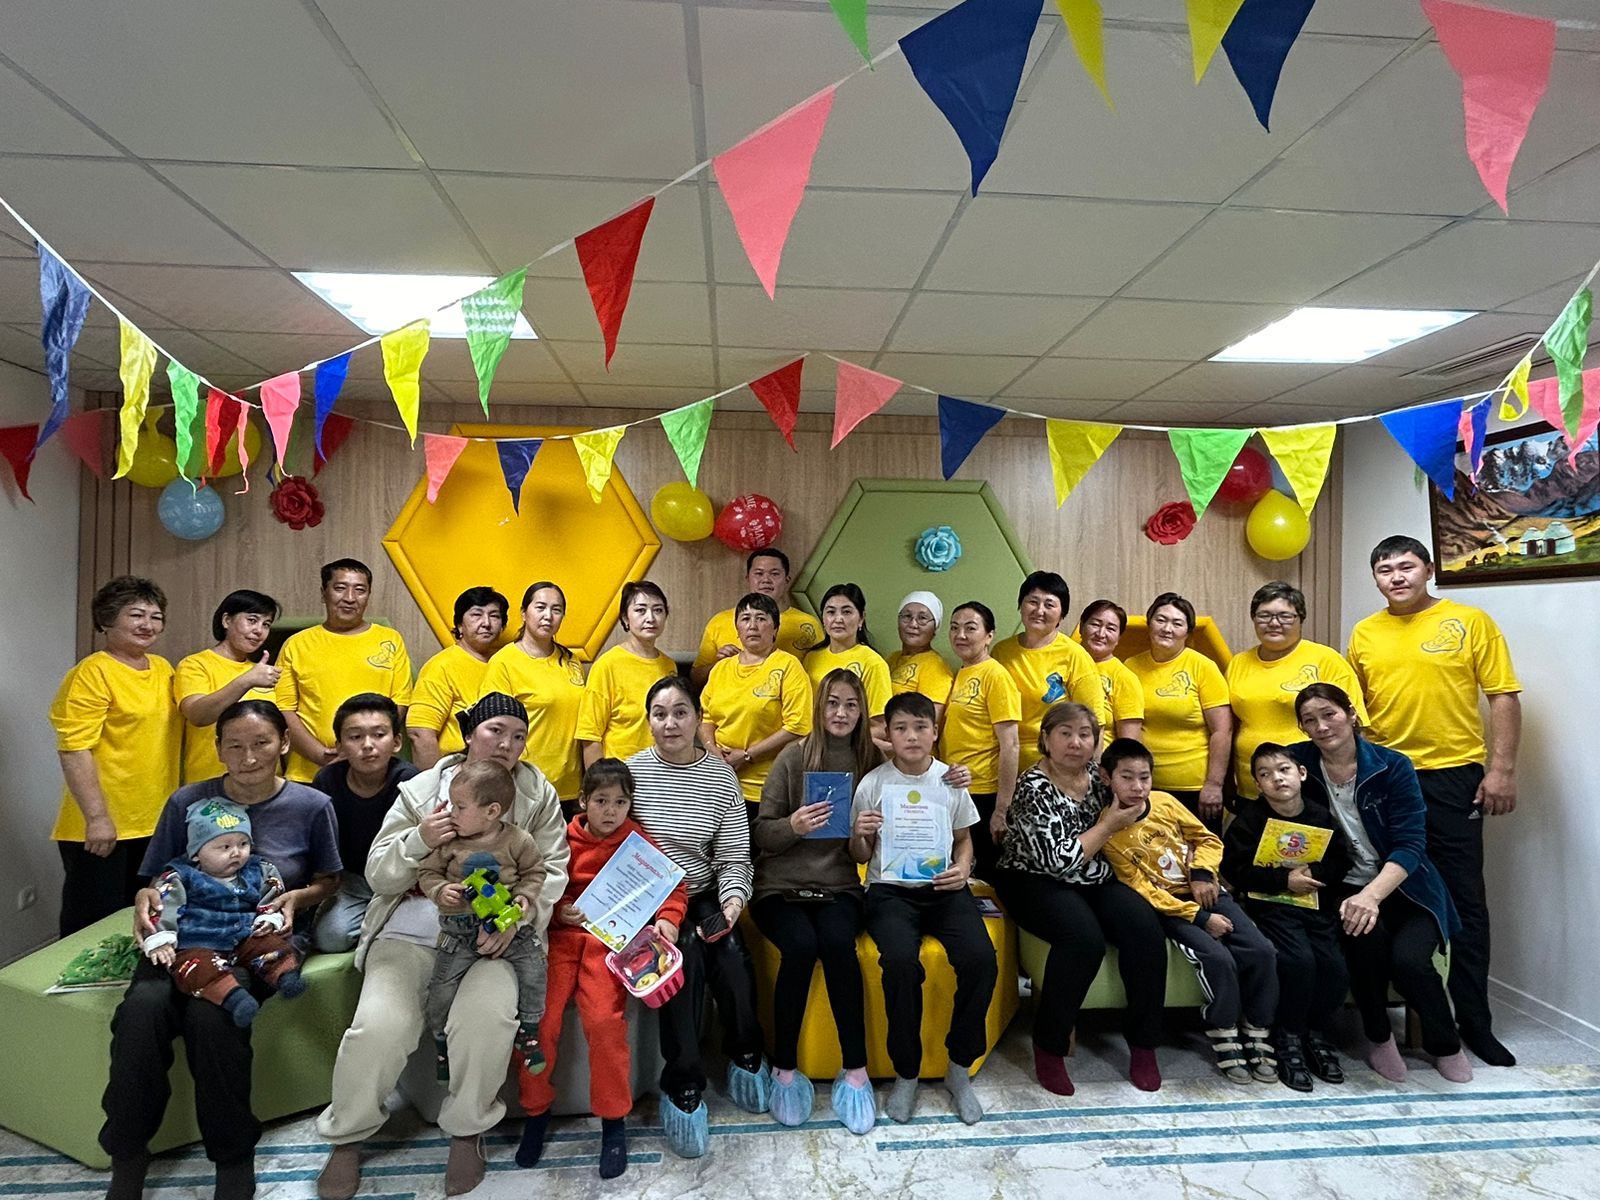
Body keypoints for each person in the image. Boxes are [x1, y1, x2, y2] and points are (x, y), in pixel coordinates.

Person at [314, 693, 568, 1200]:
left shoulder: (537, 794)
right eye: (496, 731)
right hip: (412, 931)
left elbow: (552, 870)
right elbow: (379, 875)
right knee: (377, 1027)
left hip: (491, 939)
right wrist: (420, 839)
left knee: (486, 1020)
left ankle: (468, 1131)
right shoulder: (422, 789)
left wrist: (515, 918)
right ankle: (347, 1136)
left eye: (519, 736)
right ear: (470, 733)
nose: (507, 744)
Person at [109, 699, 341, 1200]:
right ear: (217, 749)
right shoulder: (187, 801)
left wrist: (297, 898)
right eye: (234, 746)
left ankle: (233, 1158)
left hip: (256, 939)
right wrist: (145, 898)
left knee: (212, 1018)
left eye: (261, 743)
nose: (248, 757)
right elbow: (155, 878)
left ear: (284, 743)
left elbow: (329, 881)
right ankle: (127, 1153)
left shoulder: (311, 805)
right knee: (142, 1009)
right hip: (186, 937)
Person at [1346, 534, 1521, 1068]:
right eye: (1385, 570)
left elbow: (1503, 696)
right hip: (1386, 779)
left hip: (1452, 777)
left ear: (1427, 570)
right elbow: (1358, 712)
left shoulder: (1469, 622)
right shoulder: (1364, 632)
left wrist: (1501, 769)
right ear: (1375, 578)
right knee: (1391, 889)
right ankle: (1403, 1016)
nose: (1396, 577)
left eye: (1406, 566)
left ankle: (1476, 1024)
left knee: (1465, 901)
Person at [1289, 683, 1470, 1084]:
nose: (1322, 726)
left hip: (1407, 886)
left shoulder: (1392, 766)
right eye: (1310, 720)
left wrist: (1371, 895)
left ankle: (1446, 1043)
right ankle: (1379, 1037)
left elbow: (1411, 844)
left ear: (1352, 714)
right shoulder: (1298, 763)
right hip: (1343, 885)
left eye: (1329, 714)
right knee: (1364, 944)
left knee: (1410, 960)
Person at [517, 758, 687, 1179]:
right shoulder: (561, 839)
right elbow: (538, 884)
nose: (611, 811)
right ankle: (536, 1112)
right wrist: (559, 910)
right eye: (601, 801)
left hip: (609, 947)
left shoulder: (637, 842)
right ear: (583, 802)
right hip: (559, 941)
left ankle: (613, 1122)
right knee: (539, 1023)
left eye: (620, 802)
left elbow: (672, 885)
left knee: (604, 1024)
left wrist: (669, 919)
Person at [627, 676, 768, 1158]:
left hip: (704, 890)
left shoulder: (721, 777)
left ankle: (745, 1053)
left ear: (697, 718)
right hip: (650, 898)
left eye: (680, 712)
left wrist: (731, 906)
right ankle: (683, 1080)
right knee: (680, 958)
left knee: (731, 953)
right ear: (649, 722)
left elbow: (733, 857)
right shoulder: (631, 774)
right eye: (660, 714)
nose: (670, 723)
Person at [992, 703, 1166, 1095]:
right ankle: (1049, 1047)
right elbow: (1057, 861)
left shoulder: (1099, 775)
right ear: (1046, 739)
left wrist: (1132, 799)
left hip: (1093, 875)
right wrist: (1109, 824)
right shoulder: (1032, 787)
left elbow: (1141, 802)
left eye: (1085, 734)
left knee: (1145, 931)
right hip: (1033, 878)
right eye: (1065, 733)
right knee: (1082, 939)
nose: (1075, 742)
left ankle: (1143, 1045)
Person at [850, 692, 997, 1127]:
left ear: (935, 732)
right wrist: (860, 833)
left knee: (980, 960)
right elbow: (859, 855)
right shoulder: (873, 784)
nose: (911, 736)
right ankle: (907, 1072)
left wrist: (963, 868)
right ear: (888, 735)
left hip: (944, 891)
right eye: (901, 728)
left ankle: (959, 1067)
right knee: (898, 963)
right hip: (889, 892)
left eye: (920, 727)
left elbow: (965, 839)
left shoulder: (949, 780)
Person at [1099, 738, 1279, 1086]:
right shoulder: (1109, 832)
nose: (1137, 787)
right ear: (1107, 778)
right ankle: (1223, 1030)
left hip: (1208, 891)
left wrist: (1202, 874)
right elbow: (1142, 889)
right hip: (1174, 910)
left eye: (1144, 777)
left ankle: (1257, 1029)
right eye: (1127, 778)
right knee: (1217, 958)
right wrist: (1199, 918)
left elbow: (1207, 839)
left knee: (1262, 950)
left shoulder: (1165, 802)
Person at [752, 669, 879, 1135]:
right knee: (801, 947)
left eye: (850, 704)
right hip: (779, 887)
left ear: (862, 711)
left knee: (839, 947)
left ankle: (856, 1071)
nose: (840, 713)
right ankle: (784, 1069)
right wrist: (794, 826)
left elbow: (862, 855)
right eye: (832, 703)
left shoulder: (872, 760)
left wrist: (861, 835)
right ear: (818, 707)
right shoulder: (794, 755)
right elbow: (761, 834)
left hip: (839, 887)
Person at [50, 575, 181, 936]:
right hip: (104, 825)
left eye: (155, 617)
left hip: (153, 821)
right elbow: (74, 748)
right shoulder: (92, 672)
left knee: (143, 922)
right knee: (91, 928)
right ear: (107, 619)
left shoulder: (164, 669)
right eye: (136, 615)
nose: (147, 624)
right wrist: (97, 818)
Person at [1222, 743, 1351, 1092]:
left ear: (1301, 773)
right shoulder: (1249, 821)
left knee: (1334, 967)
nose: (1277, 779)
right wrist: (1283, 880)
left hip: (1316, 905)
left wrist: (1315, 873)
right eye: (1265, 774)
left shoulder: (1320, 815)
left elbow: (1341, 860)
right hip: (1272, 908)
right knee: (1298, 962)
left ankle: (1315, 1032)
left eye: (1284, 770)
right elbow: (1234, 869)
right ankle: (1288, 1035)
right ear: (1257, 784)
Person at [419, 760, 548, 1083]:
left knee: (535, 969)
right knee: (440, 989)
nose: (452, 813)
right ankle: (441, 1044)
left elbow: (535, 872)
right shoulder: (449, 842)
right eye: (451, 804)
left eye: (460, 807)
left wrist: (524, 897)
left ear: (492, 811)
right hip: (458, 933)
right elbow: (427, 872)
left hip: (508, 926)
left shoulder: (518, 840)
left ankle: (529, 1031)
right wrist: (440, 890)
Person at [141, 798, 306, 1028]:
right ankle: (234, 999)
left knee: (270, 944)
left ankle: (286, 976)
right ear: (196, 853)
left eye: (243, 844)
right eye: (225, 847)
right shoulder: (179, 877)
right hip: (199, 942)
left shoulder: (260, 869)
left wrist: (269, 918)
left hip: (245, 937)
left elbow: (274, 895)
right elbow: (163, 907)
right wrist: (161, 939)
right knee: (193, 968)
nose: (236, 853)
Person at [276, 559, 413, 783]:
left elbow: (399, 702)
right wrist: (320, 755)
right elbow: (284, 709)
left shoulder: (390, 639)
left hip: (375, 773)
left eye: (360, 590)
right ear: (324, 593)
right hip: (308, 774)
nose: (350, 598)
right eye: (340, 588)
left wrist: (362, 750)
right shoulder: (296, 644)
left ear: (368, 595)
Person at [1225, 581, 1364, 800]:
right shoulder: (1238, 663)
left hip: (1310, 782)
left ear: (1301, 619)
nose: (1274, 623)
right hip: (1251, 784)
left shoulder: (1326, 660)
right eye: (1264, 616)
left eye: (1285, 616)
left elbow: (1355, 726)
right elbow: (1229, 726)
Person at [311, 694, 419, 953]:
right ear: (339, 746)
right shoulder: (327, 780)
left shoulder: (410, 781)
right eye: (355, 736)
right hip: (353, 882)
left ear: (396, 742)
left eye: (379, 735)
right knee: (330, 938)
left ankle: (382, 924)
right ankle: (377, 923)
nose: (368, 745)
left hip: (402, 882)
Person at [699, 592, 812, 817]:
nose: (752, 625)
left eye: (761, 618)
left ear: (775, 629)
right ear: (737, 629)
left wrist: (748, 755)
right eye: (745, 618)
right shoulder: (721, 668)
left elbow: (798, 726)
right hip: (719, 783)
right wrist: (712, 750)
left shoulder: (788, 666)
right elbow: (705, 718)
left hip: (766, 788)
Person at [1125, 593, 1231, 830]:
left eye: (1177, 623)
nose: (1167, 629)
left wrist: (1214, 784)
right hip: (1144, 786)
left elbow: (1223, 731)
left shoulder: (1203, 667)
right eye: (1161, 620)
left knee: (1199, 851)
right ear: (1149, 623)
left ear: (1188, 632)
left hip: (1195, 788)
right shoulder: (1130, 666)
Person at [481, 581, 587, 806]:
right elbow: (494, 728)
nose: (548, 616)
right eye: (540, 607)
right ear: (524, 613)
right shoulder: (504, 662)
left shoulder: (571, 661)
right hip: (525, 785)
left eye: (556, 610)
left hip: (571, 786)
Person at [941, 601, 1020, 883]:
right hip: (957, 789)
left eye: (970, 628)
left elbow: (1011, 744)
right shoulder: (960, 673)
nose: (960, 635)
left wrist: (1002, 808)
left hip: (984, 794)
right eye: (954, 628)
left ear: (989, 636)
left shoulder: (996, 675)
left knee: (986, 878)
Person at [993, 570, 1101, 772]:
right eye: (1033, 602)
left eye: (1049, 605)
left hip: (1057, 768)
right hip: (1003, 763)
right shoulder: (1001, 652)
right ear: (1020, 605)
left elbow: (1094, 724)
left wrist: (1088, 777)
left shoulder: (1075, 655)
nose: (1039, 610)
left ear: (1062, 614)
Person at [175, 589, 282, 784]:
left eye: (266, 624)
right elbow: (198, 715)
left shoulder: (264, 672)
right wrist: (246, 681)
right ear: (226, 620)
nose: (259, 630)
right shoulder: (195, 664)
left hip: (266, 783)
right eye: (252, 620)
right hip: (211, 782)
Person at [576, 580, 677, 767]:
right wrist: (600, 781)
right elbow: (590, 735)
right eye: (640, 610)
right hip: (620, 774)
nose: (650, 618)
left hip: (662, 772)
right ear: (625, 618)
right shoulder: (607, 665)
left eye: (658, 610)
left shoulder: (668, 665)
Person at [407, 586, 508, 770]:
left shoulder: (505, 664)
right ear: (460, 624)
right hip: (456, 771)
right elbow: (420, 733)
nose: (486, 623)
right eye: (476, 615)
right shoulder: (441, 666)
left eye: (494, 616)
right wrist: (436, 783)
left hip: (498, 772)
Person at [691, 548, 821, 687]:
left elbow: (820, 674)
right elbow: (696, 679)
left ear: (787, 579)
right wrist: (721, 664)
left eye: (774, 574)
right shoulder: (719, 622)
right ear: (748, 578)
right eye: (758, 573)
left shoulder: (808, 624)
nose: (766, 580)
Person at [802, 583, 893, 745]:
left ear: (861, 618)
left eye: (846, 612)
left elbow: (880, 727)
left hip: (846, 749)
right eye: (831, 612)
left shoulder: (873, 662)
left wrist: (838, 742)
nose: (838, 619)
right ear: (823, 619)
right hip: (809, 745)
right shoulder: (811, 657)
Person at [1076, 599, 1144, 744]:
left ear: (1119, 638)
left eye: (1111, 629)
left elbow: (1128, 746)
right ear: (1081, 627)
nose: (1101, 634)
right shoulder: (1063, 664)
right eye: (1095, 624)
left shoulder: (1124, 678)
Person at [886, 591, 954, 723]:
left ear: (935, 628)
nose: (913, 624)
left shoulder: (936, 666)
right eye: (907, 616)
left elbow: (928, 723)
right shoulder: (892, 659)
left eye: (922, 618)